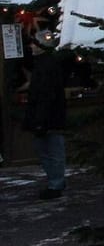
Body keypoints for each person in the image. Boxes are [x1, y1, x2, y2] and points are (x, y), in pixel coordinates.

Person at [24, 27, 68, 199]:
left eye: (34, 43)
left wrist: (40, 120)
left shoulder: (46, 66)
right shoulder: (44, 64)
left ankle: (55, 183)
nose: (31, 46)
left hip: (48, 117)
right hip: (48, 116)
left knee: (51, 151)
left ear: (41, 46)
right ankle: (55, 181)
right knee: (50, 151)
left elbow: (45, 95)